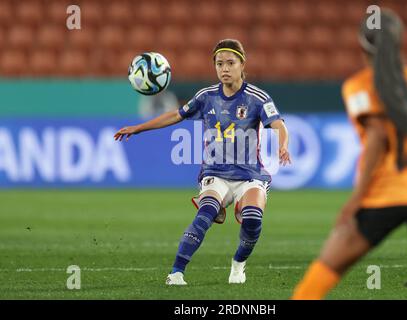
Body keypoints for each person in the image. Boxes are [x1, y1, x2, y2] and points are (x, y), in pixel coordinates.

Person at [291, 10, 407, 299]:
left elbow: (377, 137)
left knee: (322, 273)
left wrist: (355, 200)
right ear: (399, 41)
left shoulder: (359, 85)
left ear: (361, 43)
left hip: (384, 196)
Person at [114, 39, 291, 285]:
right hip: (215, 173)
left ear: (242, 65)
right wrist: (139, 128)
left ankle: (238, 264)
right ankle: (176, 273)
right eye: (219, 64)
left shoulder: (256, 97)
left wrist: (282, 143)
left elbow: (279, 124)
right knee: (204, 215)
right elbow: (176, 115)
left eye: (230, 63)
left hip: (250, 176)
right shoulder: (205, 96)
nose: (224, 68)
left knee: (253, 220)